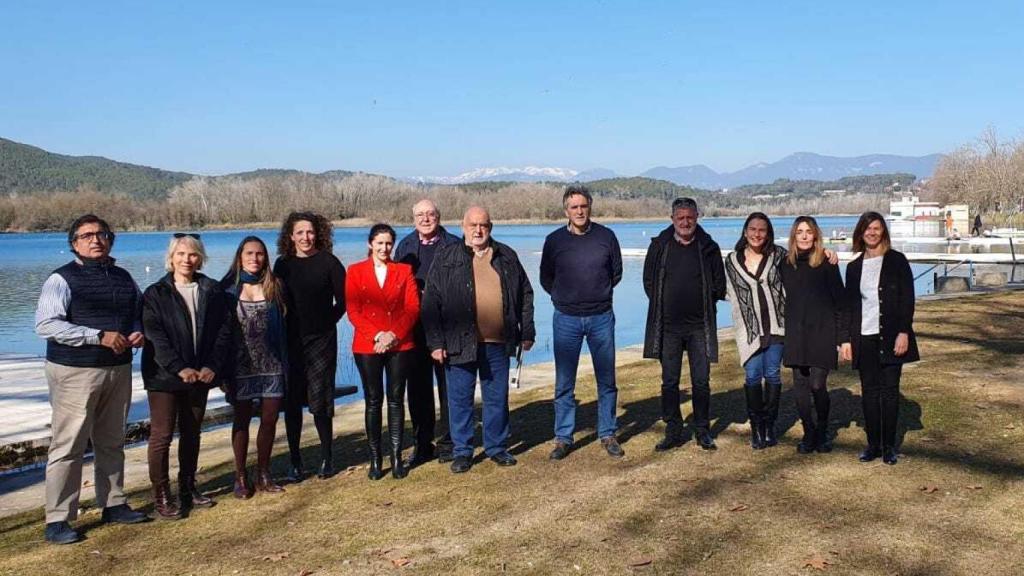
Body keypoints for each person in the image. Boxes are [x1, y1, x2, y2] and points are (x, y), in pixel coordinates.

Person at [34, 214, 147, 544]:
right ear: (74, 243)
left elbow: (136, 312)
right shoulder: (62, 279)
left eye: (101, 234)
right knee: (68, 446)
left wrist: (137, 331)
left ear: (110, 239)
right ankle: (57, 518)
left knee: (111, 441)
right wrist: (97, 335)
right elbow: (46, 325)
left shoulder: (124, 277)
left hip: (118, 369)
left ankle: (113, 503)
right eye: (87, 236)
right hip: (75, 372)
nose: (95, 240)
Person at [421, 206, 535, 474]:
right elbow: (431, 303)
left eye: (483, 225)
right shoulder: (447, 256)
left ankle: (496, 447)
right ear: (463, 227)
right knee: (460, 399)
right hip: (458, 342)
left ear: (490, 227)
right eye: (472, 225)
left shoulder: (506, 255)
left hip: (497, 342)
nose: (478, 230)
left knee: (496, 397)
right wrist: (435, 343)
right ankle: (463, 451)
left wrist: (526, 331)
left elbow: (525, 295)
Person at [141, 233, 231, 519]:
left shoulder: (211, 290)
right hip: (164, 376)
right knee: (162, 436)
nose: (187, 259)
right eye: (181, 254)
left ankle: (188, 487)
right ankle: (162, 495)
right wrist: (179, 367)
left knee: (192, 433)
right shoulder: (156, 293)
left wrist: (211, 366)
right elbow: (155, 336)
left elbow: (223, 332)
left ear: (200, 257)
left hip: (200, 375)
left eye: (192, 254)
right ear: (171, 257)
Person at [540, 184, 623, 460]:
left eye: (583, 206)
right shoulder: (554, 241)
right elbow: (546, 278)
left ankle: (608, 433)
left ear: (590, 207)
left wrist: (595, 295)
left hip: (601, 317)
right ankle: (563, 437)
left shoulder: (606, 237)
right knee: (564, 382)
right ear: (566, 210)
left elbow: (616, 273)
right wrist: (566, 298)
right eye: (574, 207)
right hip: (566, 319)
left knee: (607, 379)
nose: (579, 211)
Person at [643, 198, 726, 451]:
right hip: (668, 327)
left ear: (697, 217)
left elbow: (719, 286)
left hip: (699, 327)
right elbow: (649, 282)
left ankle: (702, 429)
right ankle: (673, 429)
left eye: (690, 217)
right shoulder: (659, 246)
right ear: (672, 219)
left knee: (701, 381)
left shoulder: (709, 247)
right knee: (669, 381)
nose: (685, 222)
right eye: (680, 217)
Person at [841, 212, 919, 465]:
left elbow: (907, 299)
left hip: (891, 335)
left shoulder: (897, 261)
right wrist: (846, 339)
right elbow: (849, 307)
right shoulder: (853, 268)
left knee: (890, 392)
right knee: (870, 392)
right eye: (867, 228)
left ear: (883, 231)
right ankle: (873, 444)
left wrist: (904, 332)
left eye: (876, 228)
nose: (872, 233)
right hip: (864, 337)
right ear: (860, 233)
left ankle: (889, 446)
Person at [274, 212, 346, 480]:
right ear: (290, 236)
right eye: (300, 232)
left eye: (310, 232)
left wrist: (327, 321)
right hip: (290, 341)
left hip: (321, 340)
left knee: (320, 399)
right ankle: (295, 461)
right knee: (292, 402)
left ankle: (327, 458)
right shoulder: (283, 265)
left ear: (318, 234)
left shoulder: (329, 262)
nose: (306, 237)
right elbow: (273, 300)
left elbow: (344, 301)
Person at [347, 224, 421, 480]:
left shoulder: (403, 270)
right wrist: (378, 335)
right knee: (373, 400)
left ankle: (397, 457)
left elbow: (412, 307)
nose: (384, 248)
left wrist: (393, 335)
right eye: (379, 243)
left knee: (396, 399)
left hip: (400, 343)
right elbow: (353, 310)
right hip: (368, 344)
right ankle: (375, 459)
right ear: (370, 244)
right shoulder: (355, 271)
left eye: (388, 243)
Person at [222, 236, 289, 498]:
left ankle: (264, 472)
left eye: (260, 254)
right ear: (240, 257)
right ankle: (240, 476)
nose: (254, 258)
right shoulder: (227, 289)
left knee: (270, 419)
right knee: (241, 420)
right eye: (249, 253)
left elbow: (286, 324)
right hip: (240, 366)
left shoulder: (274, 286)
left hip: (271, 364)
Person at [395, 199, 460, 465]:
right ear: (413, 219)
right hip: (415, 329)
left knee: (448, 388)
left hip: (447, 327)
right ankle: (422, 444)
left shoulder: (455, 245)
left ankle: (449, 442)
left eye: (430, 214)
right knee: (418, 389)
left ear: (439, 216)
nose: (425, 219)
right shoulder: (405, 246)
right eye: (420, 215)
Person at [780, 217, 847, 455]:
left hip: (822, 332)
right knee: (800, 386)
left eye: (809, 232)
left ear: (816, 235)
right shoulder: (785, 264)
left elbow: (840, 301)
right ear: (794, 236)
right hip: (796, 333)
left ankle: (822, 430)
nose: (805, 236)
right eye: (800, 232)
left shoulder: (827, 263)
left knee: (818, 385)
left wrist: (843, 338)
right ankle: (808, 432)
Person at [723, 213, 786, 450]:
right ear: (745, 231)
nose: (757, 234)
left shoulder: (779, 255)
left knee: (772, 375)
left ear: (768, 233)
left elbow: (803, 268)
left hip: (777, 326)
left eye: (762, 230)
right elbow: (722, 288)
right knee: (752, 376)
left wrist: (828, 256)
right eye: (752, 229)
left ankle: (769, 426)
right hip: (749, 330)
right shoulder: (732, 260)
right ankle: (756, 427)